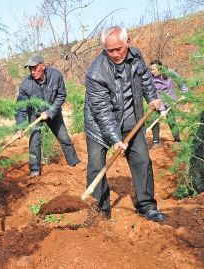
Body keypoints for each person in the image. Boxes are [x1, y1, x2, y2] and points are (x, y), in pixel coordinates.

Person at [84, 26, 166, 222]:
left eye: (118, 49)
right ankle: (99, 212)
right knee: (96, 165)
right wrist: (114, 138)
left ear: (127, 42)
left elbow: (145, 78)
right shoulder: (96, 73)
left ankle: (146, 206)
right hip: (99, 126)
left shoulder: (136, 56)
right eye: (109, 50)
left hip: (132, 120)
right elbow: (102, 111)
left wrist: (152, 98)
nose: (114, 54)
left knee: (142, 161)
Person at [15, 54, 85, 178]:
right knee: (35, 140)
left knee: (64, 137)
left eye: (35, 68)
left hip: (53, 112)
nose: (32, 71)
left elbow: (61, 95)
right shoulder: (26, 85)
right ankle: (35, 169)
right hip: (35, 115)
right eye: (30, 69)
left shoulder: (56, 75)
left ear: (43, 65)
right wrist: (20, 127)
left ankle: (74, 162)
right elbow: (21, 108)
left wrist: (50, 112)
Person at [149, 59, 188, 148]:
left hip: (170, 100)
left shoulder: (169, 73)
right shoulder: (150, 78)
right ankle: (155, 142)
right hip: (157, 101)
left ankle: (177, 139)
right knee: (154, 120)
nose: (151, 71)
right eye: (150, 69)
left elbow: (180, 80)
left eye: (153, 69)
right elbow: (155, 94)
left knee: (171, 120)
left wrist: (184, 92)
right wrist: (162, 109)